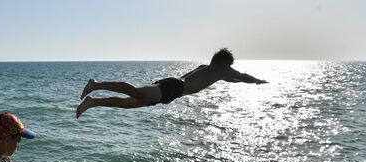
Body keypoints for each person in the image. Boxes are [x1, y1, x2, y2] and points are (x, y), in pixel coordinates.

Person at [76, 48, 268, 118]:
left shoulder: (207, 67)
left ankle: (92, 102)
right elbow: (241, 76)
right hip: (173, 88)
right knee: (133, 92)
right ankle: (95, 84)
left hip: (172, 88)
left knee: (127, 104)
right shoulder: (222, 69)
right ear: (225, 62)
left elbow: (232, 79)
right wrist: (257, 81)